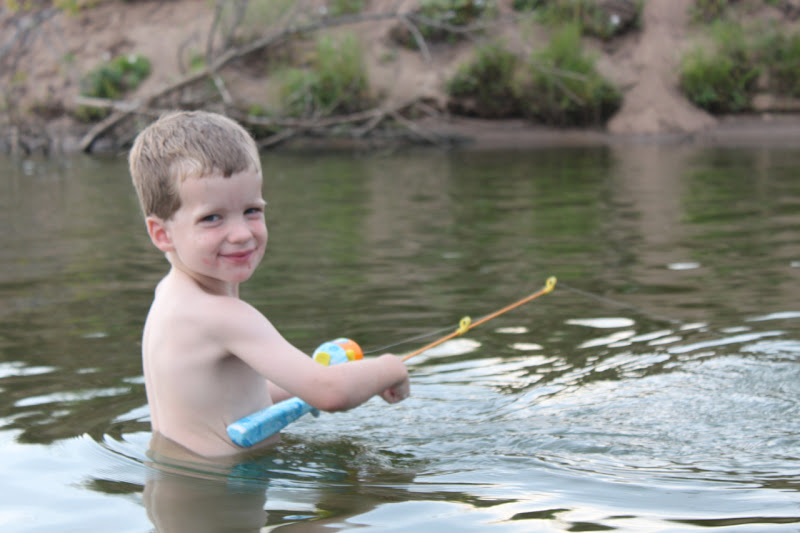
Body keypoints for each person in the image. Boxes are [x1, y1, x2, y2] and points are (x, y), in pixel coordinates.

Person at [128, 110, 410, 458]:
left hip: (182, 480)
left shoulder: (171, 296)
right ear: (162, 234)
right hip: (227, 485)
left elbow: (237, 395)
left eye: (252, 210)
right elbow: (331, 393)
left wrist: (306, 379)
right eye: (212, 218)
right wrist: (390, 368)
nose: (241, 233)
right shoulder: (224, 315)